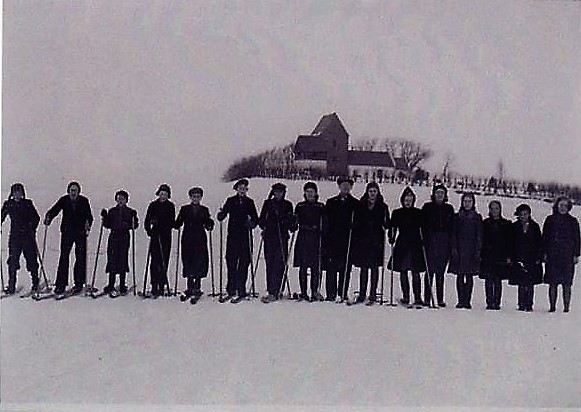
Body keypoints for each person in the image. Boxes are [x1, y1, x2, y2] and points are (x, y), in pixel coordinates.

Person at [44, 181, 93, 295]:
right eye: (71, 190)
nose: (73, 193)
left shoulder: (84, 201)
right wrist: (49, 217)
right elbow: (55, 210)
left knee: (80, 257)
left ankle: (79, 284)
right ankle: (60, 285)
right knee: (64, 257)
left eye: (75, 190)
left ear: (79, 192)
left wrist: (88, 223)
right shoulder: (64, 200)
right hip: (67, 232)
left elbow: (89, 216)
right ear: (68, 191)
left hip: (80, 233)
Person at [216, 179, 259, 303]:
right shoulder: (230, 201)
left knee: (244, 262)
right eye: (240, 188)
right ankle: (231, 289)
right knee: (231, 262)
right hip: (233, 236)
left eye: (244, 189)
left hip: (245, 236)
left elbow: (256, 219)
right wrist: (221, 215)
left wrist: (251, 223)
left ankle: (241, 289)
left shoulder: (250, 202)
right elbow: (223, 214)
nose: (242, 191)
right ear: (236, 189)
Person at [352, 182, 390, 304]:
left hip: (376, 240)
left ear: (378, 192)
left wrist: (386, 224)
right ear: (367, 192)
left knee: (374, 268)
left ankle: (373, 293)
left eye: (374, 191)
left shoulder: (383, 206)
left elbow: (387, 223)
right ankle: (362, 293)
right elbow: (357, 220)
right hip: (363, 239)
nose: (372, 193)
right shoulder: (361, 205)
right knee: (364, 268)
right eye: (370, 191)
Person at [174, 187, 214, 300]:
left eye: (198, 196)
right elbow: (178, 223)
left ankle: (197, 287)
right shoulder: (184, 209)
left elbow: (207, 223)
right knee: (188, 261)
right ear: (190, 197)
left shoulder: (204, 210)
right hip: (188, 238)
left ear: (201, 198)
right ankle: (190, 286)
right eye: (194, 196)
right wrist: (177, 223)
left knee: (199, 261)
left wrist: (210, 224)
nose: (196, 198)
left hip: (200, 239)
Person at [388, 187, 425, 307]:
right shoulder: (397, 213)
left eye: (410, 200)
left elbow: (423, 227)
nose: (408, 202)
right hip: (402, 244)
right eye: (406, 200)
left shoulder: (418, 213)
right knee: (403, 270)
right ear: (402, 200)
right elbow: (393, 227)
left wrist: (424, 239)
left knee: (415, 271)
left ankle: (418, 297)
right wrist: (391, 236)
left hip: (415, 244)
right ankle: (406, 296)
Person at [258, 183, 296, 303]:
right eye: (276, 191)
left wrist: (290, 222)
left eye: (281, 191)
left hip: (282, 237)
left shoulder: (288, 204)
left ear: (284, 193)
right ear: (273, 192)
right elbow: (261, 220)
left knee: (281, 263)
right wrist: (265, 224)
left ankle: (279, 289)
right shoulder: (268, 203)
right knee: (270, 263)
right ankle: (271, 291)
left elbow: (291, 225)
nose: (278, 194)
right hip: (269, 237)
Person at [542, 196, 580, 313]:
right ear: (557, 206)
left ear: (569, 207)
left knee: (567, 283)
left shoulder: (573, 221)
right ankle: (552, 307)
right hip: (552, 255)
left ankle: (566, 307)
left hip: (567, 256)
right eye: (561, 205)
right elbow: (545, 238)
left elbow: (577, 239)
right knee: (552, 283)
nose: (563, 208)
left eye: (565, 206)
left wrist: (576, 254)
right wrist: (544, 253)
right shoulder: (550, 220)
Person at [324, 177, 359, 302]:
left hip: (348, 240)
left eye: (348, 185)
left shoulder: (355, 203)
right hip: (333, 239)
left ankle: (343, 292)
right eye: (343, 185)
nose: (345, 187)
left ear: (351, 187)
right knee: (331, 268)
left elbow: (359, 222)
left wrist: (354, 225)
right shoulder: (331, 202)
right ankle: (331, 294)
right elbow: (327, 220)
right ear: (339, 186)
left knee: (346, 268)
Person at [1, 183, 40, 294]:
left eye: (19, 192)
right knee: (12, 262)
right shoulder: (8, 204)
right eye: (15, 192)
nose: (17, 195)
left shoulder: (28, 204)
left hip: (28, 237)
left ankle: (35, 282)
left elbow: (36, 218)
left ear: (22, 193)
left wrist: (32, 226)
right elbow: (1, 216)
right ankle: (11, 285)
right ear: (12, 194)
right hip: (15, 237)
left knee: (31, 260)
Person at [421, 184, 454, 307]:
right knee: (429, 271)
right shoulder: (427, 207)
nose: (439, 195)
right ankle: (427, 298)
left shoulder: (449, 209)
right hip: (430, 242)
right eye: (437, 193)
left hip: (444, 243)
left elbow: (452, 227)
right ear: (434, 194)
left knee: (440, 272)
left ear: (445, 195)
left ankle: (440, 298)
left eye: (442, 193)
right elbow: (422, 224)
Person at [100, 190, 138, 296]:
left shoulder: (130, 211)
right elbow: (107, 225)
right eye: (118, 198)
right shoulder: (112, 211)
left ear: (126, 200)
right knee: (112, 259)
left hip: (124, 237)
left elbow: (134, 226)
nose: (120, 200)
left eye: (122, 199)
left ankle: (122, 284)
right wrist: (105, 217)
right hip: (114, 236)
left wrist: (134, 218)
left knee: (122, 259)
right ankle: (111, 284)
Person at [293, 182, 326, 302]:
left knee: (315, 267)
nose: (310, 194)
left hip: (316, 238)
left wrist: (323, 229)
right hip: (303, 237)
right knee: (303, 266)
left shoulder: (320, 206)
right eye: (307, 192)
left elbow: (325, 222)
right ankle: (303, 292)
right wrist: (293, 221)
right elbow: (294, 224)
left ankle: (314, 291)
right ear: (305, 193)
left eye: (312, 191)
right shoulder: (300, 206)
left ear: (316, 193)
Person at [449, 192, 482, 309]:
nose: (467, 204)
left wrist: (477, 251)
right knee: (459, 275)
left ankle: (467, 300)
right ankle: (460, 300)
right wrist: (454, 248)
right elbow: (453, 234)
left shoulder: (477, 217)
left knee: (469, 276)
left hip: (471, 250)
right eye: (465, 201)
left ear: (473, 203)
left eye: (469, 201)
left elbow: (479, 235)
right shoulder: (457, 217)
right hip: (459, 249)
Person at [509, 204, 543, 312]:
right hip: (519, 257)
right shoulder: (514, 226)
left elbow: (539, 243)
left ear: (529, 214)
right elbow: (511, 243)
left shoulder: (535, 226)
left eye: (525, 214)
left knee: (530, 282)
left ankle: (529, 304)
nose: (523, 216)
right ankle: (521, 303)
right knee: (521, 282)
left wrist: (538, 257)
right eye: (521, 214)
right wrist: (512, 257)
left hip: (532, 258)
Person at [479, 200, 512, 310]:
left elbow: (509, 242)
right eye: (492, 208)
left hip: (500, 255)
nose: (494, 211)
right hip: (487, 255)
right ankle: (489, 302)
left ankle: (497, 302)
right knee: (488, 280)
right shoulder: (485, 223)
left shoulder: (506, 224)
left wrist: (508, 256)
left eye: (496, 208)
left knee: (498, 280)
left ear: (500, 209)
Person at [144, 184, 175, 297]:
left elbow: (171, 221)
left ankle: (162, 285)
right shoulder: (153, 205)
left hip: (165, 236)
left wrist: (163, 224)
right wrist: (149, 230)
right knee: (154, 261)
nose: (163, 196)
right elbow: (147, 220)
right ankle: (154, 284)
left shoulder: (170, 206)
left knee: (164, 260)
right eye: (161, 194)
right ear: (158, 194)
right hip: (155, 235)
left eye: (165, 194)